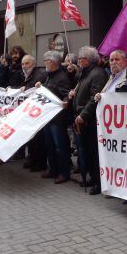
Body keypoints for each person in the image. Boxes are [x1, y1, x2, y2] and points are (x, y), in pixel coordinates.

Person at [72, 46, 109, 194]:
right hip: (81, 117)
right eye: (79, 58)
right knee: (85, 151)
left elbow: (94, 98)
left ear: (91, 60)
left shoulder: (97, 74)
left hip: (90, 120)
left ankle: (97, 183)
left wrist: (84, 115)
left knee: (94, 152)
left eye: (83, 58)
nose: (80, 60)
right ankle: (91, 177)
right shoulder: (84, 73)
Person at [41, 51, 73, 184]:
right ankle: (53, 169)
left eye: (45, 61)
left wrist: (65, 101)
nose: (44, 63)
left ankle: (63, 172)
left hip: (58, 118)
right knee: (50, 145)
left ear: (52, 62)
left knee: (60, 146)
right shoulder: (49, 76)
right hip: (48, 117)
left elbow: (66, 95)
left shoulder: (61, 77)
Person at [21, 54, 47, 172]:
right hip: (29, 112)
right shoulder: (26, 75)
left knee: (38, 140)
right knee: (31, 139)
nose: (24, 66)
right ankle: (32, 159)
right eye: (23, 64)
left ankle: (40, 163)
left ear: (33, 64)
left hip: (37, 113)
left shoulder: (39, 75)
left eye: (27, 63)